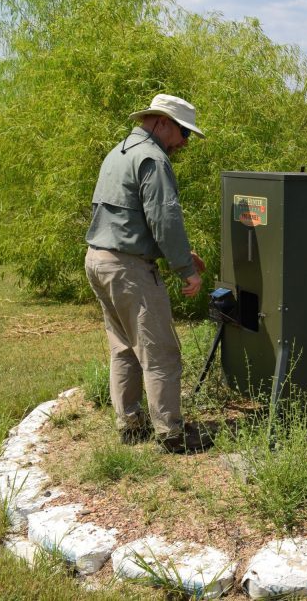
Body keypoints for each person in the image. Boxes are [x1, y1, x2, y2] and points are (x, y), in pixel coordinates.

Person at [84, 93, 210, 453]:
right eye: (184, 132)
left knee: (124, 348)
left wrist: (183, 252)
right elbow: (165, 219)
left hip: (99, 260)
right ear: (162, 123)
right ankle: (171, 434)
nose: (184, 142)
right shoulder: (153, 158)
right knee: (161, 352)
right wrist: (186, 270)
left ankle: (130, 426)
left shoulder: (120, 151)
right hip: (128, 269)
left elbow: (129, 217)